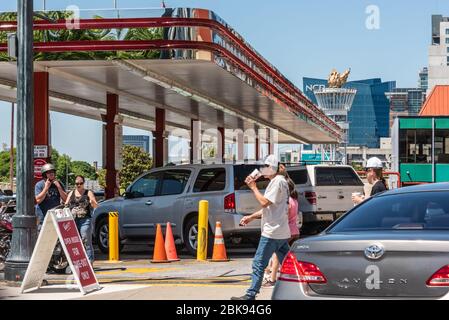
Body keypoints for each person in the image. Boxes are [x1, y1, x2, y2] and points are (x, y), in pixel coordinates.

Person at [231, 155, 290, 300]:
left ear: (271, 168)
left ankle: (251, 295)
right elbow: (270, 207)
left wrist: (253, 187)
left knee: (258, 263)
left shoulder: (277, 182)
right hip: (281, 231)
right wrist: (251, 217)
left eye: (264, 167)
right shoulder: (280, 181)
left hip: (272, 232)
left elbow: (264, 202)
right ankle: (304, 287)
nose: (262, 170)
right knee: (289, 265)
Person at [262, 176, 300, 288]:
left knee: (275, 257)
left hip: (285, 231)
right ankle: (293, 276)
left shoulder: (287, 202)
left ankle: (272, 279)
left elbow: (283, 216)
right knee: (286, 257)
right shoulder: (295, 200)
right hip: (294, 231)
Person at [65, 175, 98, 263]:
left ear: (83, 183)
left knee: (85, 240)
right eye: (77, 183)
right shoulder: (71, 193)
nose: (79, 185)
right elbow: (65, 205)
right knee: (74, 242)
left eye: (81, 183)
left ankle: (89, 262)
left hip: (85, 220)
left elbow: (95, 205)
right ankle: (78, 262)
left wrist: (92, 202)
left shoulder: (88, 192)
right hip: (73, 221)